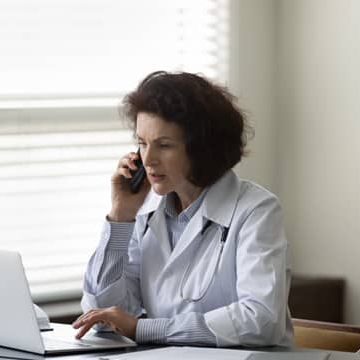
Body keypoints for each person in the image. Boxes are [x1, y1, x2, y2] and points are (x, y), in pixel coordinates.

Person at [72, 71, 293, 347]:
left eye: (163, 145)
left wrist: (145, 329)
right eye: (141, 143)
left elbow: (261, 320)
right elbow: (103, 313)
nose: (148, 159)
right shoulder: (145, 210)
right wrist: (120, 216)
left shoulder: (256, 210)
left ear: (202, 149)